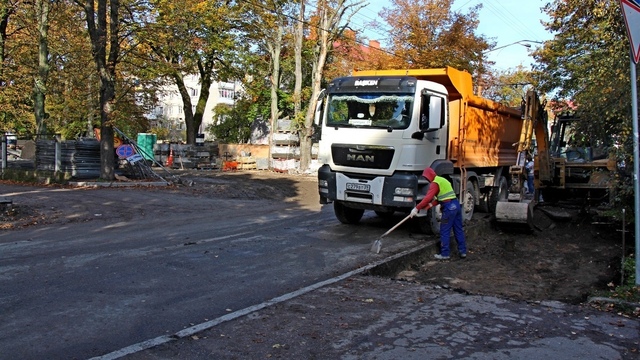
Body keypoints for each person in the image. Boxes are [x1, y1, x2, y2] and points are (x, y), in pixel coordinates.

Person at [410, 167, 467, 260]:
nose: (426, 180)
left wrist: (416, 208)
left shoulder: (434, 183)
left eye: (426, 178)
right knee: (458, 229)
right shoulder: (442, 180)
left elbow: (428, 197)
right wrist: (430, 205)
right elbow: (443, 197)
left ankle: (445, 254)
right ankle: (463, 251)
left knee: (444, 230)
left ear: (428, 176)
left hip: (449, 208)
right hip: (456, 205)